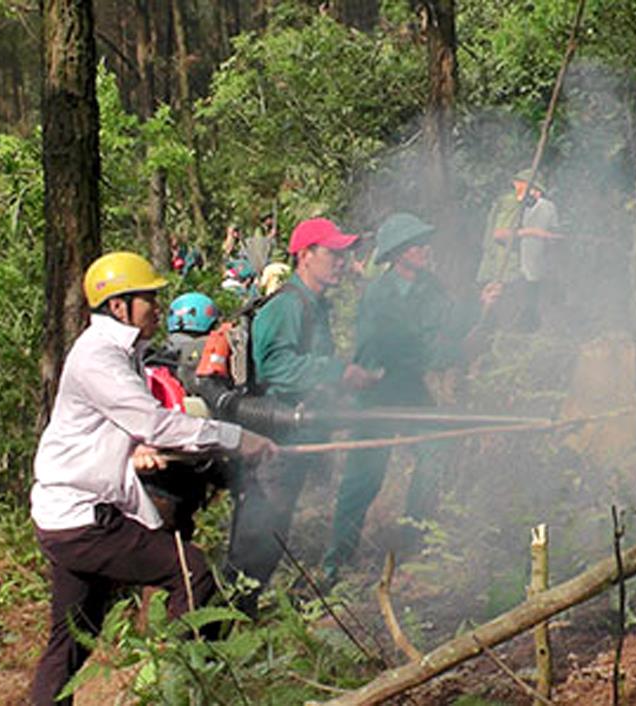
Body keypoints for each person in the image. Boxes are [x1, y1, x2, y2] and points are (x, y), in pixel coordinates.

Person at [29, 252, 277, 705]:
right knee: (194, 573)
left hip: (69, 513)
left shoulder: (118, 353)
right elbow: (155, 422)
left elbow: (129, 425)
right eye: (148, 298)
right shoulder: (99, 357)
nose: (157, 307)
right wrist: (236, 438)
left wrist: (137, 445)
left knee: (71, 638)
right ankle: (180, 690)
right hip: (83, 518)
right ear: (119, 306)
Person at [224, 217, 381, 611]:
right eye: (333, 253)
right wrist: (338, 372)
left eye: (345, 254)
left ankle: (234, 621)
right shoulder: (287, 306)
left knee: (271, 535)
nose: (342, 262)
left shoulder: (314, 306)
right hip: (273, 439)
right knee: (257, 539)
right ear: (305, 256)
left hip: (294, 437)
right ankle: (215, 634)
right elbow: (276, 368)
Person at [322, 213, 470, 586]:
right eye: (415, 244)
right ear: (398, 253)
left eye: (424, 242)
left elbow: (449, 327)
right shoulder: (380, 295)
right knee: (365, 477)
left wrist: (481, 306)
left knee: (433, 454)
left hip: (409, 386)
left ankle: (415, 545)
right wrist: (438, 353)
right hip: (376, 390)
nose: (424, 249)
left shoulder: (430, 287)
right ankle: (336, 563)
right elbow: (400, 346)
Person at [475, 169, 562, 332]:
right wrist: (535, 232)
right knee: (506, 323)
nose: (536, 196)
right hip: (503, 270)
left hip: (502, 269)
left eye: (539, 192)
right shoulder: (512, 202)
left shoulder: (511, 203)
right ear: (519, 184)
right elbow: (499, 235)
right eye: (534, 189)